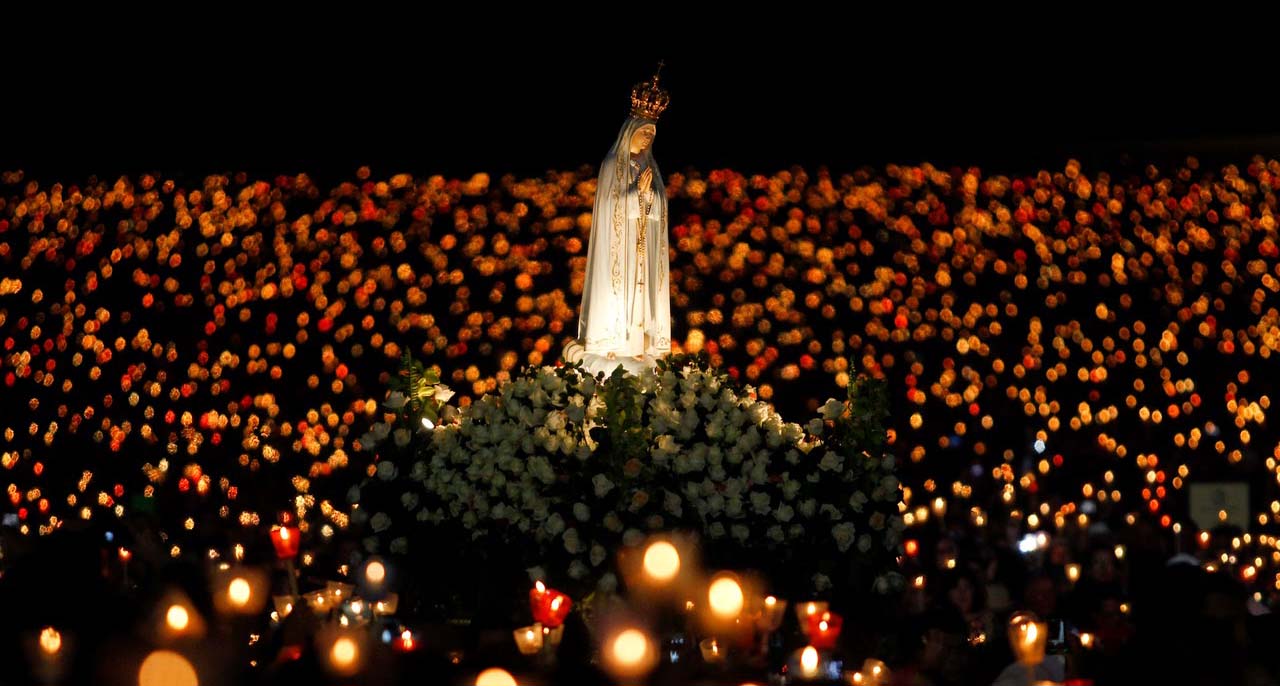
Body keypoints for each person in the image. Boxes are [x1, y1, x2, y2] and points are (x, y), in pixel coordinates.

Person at [575, 67, 672, 377]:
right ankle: (612, 343)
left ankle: (639, 343)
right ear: (631, 130)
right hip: (621, 247)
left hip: (642, 246)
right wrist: (635, 194)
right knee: (622, 292)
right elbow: (608, 207)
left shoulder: (651, 168)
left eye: (651, 135)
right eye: (644, 132)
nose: (646, 139)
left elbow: (660, 208)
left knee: (641, 295)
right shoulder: (611, 165)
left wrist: (650, 196)